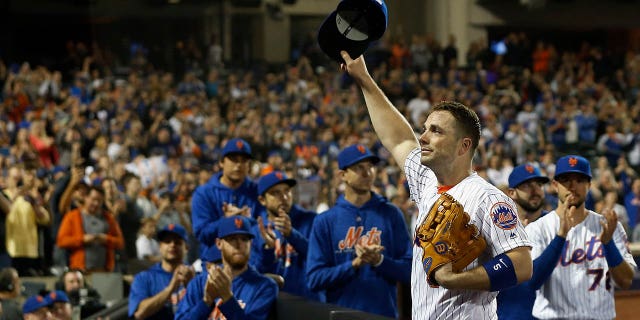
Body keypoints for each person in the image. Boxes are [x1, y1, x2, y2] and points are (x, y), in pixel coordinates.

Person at [339, 51, 532, 318]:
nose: (424, 137)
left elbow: (521, 264)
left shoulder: (488, 198)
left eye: (437, 131)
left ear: (464, 146)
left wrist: (453, 280)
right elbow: (397, 139)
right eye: (425, 128)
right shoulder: (427, 180)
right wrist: (364, 79)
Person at [306, 144, 412, 318]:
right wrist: (354, 265)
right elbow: (314, 279)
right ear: (343, 175)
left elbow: (410, 271)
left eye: (370, 166)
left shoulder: (391, 213)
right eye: (358, 168)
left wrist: (379, 261)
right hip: (341, 315)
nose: (368, 173)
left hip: (383, 314)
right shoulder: (325, 221)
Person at [526, 155, 636, 319]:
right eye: (565, 180)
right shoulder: (537, 229)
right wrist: (560, 237)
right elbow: (532, 282)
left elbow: (626, 281)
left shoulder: (610, 227)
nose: (572, 186)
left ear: (589, 185)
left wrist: (608, 244)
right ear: (555, 185)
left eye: (579, 180)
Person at [175, 216, 278, 320]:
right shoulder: (199, 283)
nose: (239, 245)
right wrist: (206, 302)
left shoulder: (265, 287)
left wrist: (227, 298)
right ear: (219, 244)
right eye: (232, 239)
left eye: (244, 239)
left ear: (250, 244)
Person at [191, 138, 263, 262]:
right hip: (215, 262)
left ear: (249, 165)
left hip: (253, 263)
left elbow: (266, 227)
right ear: (221, 162)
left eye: (243, 160)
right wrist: (227, 221)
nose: (238, 165)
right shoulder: (204, 193)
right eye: (233, 160)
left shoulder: (258, 191)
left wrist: (244, 220)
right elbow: (202, 234)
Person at [251, 171, 318, 300]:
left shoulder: (311, 220)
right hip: (272, 304)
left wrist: (292, 234)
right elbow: (255, 275)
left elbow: (320, 258)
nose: (284, 197)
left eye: (287, 191)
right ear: (262, 200)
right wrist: (268, 252)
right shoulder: (256, 232)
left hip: (309, 302)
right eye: (275, 193)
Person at [497, 163, 550, 319]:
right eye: (527, 185)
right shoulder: (498, 227)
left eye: (539, 185)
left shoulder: (556, 225)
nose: (535, 191)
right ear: (512, 193)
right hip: (510, 312)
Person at [129, 223, 195, 320]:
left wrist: (192, 285)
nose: (172, 245)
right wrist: (171, 288)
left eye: (177, 242)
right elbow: (140, 313)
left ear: (186, 248)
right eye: (167, 241)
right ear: (160, 246)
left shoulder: (196, 276)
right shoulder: (144, 278)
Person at [56, 185, 125, 272]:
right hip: (80, 269)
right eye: (93, 199)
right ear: (86, 197)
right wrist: (83, 239)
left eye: (99, 201)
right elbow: (61, 241)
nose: (96, 203)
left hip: (104, 270)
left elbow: (120, 242)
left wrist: (106, 239)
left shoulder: (108, 218)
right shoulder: (72, 216)